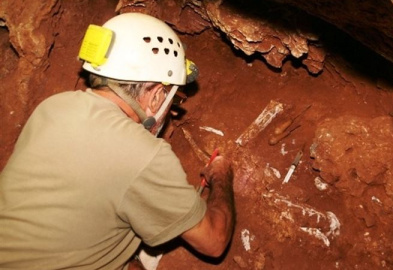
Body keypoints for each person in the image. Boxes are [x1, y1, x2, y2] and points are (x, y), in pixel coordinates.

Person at [0, 12, 235, 270]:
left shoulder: (53, 106)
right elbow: (214, 241)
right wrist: (221, 176)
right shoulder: (144, 155)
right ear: (156, 95)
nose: (170, 107)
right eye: (173, 98)